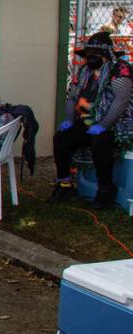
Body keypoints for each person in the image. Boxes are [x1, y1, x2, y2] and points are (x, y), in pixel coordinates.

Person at [49, 31, 132, 209]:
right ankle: (65, 184)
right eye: (89, 54)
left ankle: (105, 190)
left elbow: (122, 99)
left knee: (100, 141)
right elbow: (72, 97)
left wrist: (103, 125)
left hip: (117, 125)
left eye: (96, 54)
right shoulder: (84, 71)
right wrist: (69, 120)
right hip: (86, 122)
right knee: (61, 138)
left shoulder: (120, 69)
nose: (91, 58)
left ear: (106, 55)